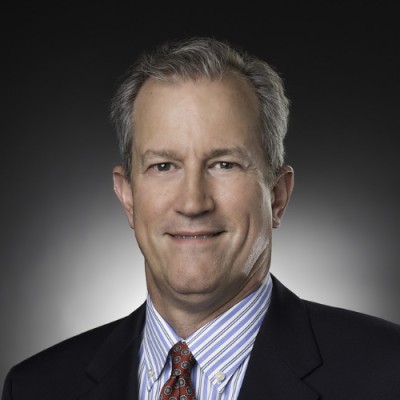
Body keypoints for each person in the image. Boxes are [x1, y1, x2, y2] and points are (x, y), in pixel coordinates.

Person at [2, 37, 400, 400]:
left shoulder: (387, 372)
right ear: (128, 197)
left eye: (224, 164)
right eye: (163, 166)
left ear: (277, 196)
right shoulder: (35, 388)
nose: (193, 203)